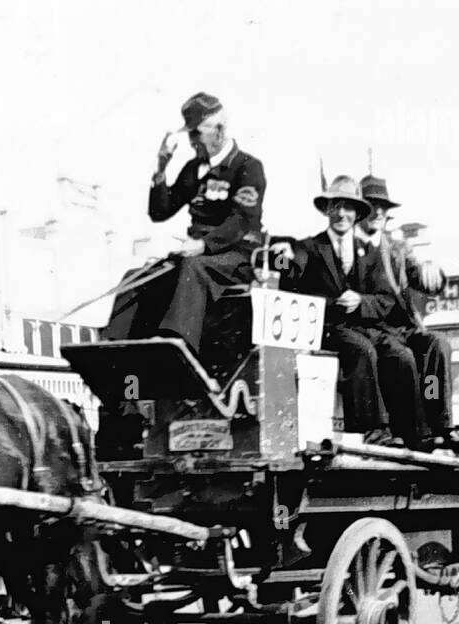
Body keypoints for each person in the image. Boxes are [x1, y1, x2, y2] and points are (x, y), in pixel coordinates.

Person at [104, 92, 266, 356]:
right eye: (189, 134)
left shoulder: (248, 167)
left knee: (191, 268)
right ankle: (114, 349)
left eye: (197, 134)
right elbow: (160, 211)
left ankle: (174, 345)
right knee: (135, 277)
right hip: (199, 253)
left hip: (236, 255)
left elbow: (241, 222)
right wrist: (160, 170)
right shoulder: (193, 168)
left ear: (220, 130)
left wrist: (202, 245)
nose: (192, 141)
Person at [273, 174, 400, 445]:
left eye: (348, 207)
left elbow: (385, 299)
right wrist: (280, 256)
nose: (341, 213)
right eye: (335, 207)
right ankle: (371, 429)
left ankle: (413, 432)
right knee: (362, 351)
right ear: (326, 210)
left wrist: (361, 302)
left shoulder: (368, 251)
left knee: (400, 355)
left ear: (356, 213)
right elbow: (288, 272)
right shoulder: (307, 247)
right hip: (324, 328)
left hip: (362, 327)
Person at [356, 174, 459, 452]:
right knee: (402, 358)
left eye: (383, 206)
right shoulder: (346, 248)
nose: (379, 211)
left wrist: (434, 276)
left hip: (400, 328)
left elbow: (422, 276)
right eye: (371, 204)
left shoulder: (396, 249)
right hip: (368, 329)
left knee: (437, 346)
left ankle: (441, 423)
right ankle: (416, 430)